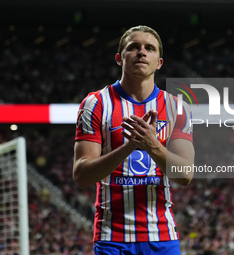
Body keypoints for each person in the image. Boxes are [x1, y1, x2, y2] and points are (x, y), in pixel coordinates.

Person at [73, 25, 195, 255]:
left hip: (162, 236)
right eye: (134, 47)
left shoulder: (177, 107)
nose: (142, 52)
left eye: (149, 48)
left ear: (159, 62)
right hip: (112, 237)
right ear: (119, 58)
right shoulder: (96, 104)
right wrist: (129, 147)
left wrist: (152, 145)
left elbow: (185, 175)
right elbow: (81, 175)